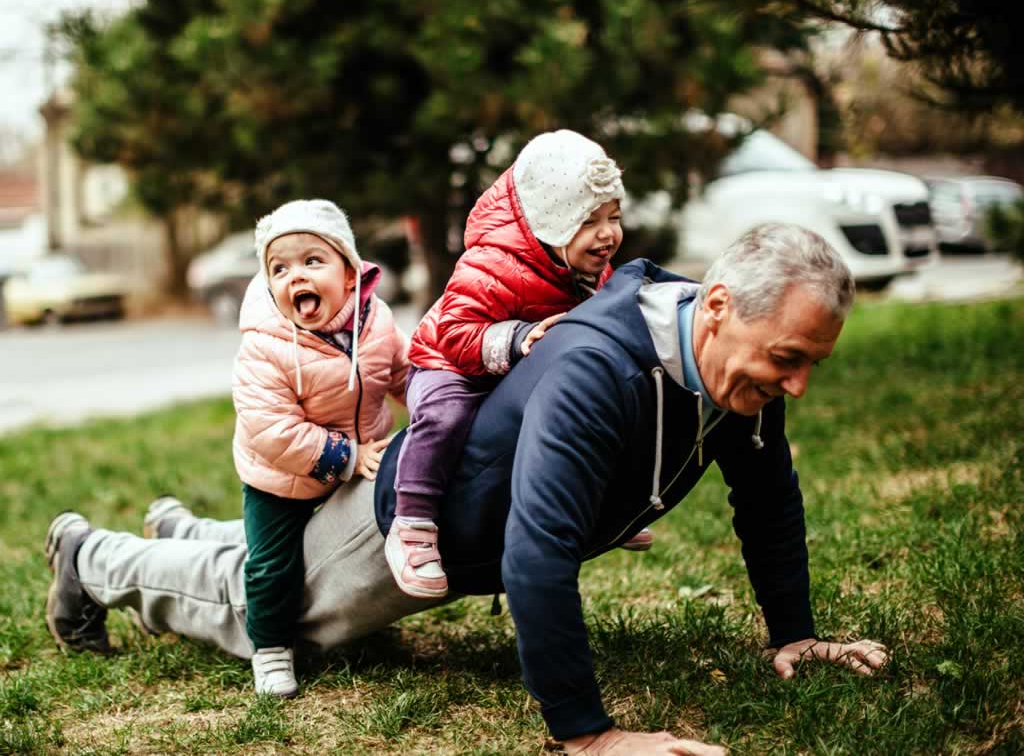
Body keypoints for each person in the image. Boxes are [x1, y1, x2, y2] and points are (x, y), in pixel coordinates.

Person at [44, 223, 889, 756]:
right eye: (788, 358)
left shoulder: (730, 375)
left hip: (445, 522)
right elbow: (537, 553)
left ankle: (186, 529)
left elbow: (768, 496)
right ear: (716, 307)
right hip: (401, 527)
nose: (800, 384)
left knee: (272, 558)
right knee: (257, 609)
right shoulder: (602, 367)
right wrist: (587, 731)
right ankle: (93, 559)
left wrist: (795, 632)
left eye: (813, 361)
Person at [390, 128, 651, 599]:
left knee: (586, 411)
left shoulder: (585, 268)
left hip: (519, 366)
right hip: (450, 363)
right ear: (550, 221)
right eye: (589, 221)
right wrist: (514, 338)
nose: (608, 233)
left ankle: (601, 507)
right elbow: (453, 332)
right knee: (446, 416)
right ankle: (412, 522)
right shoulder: (489, 264)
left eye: (613, 216)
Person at [218, 198, 409, 697]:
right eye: (279, 269)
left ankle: (359, 618)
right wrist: (346, 456)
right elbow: (270, 428)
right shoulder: (265, 344)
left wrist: (434, 398)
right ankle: (272, 648)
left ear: (350, 274)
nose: (295, 276)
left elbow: (403, 372)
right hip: (279, 475)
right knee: (273, 565)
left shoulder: (377, 321)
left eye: (312, 261)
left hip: (355, 458)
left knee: (353, 546)